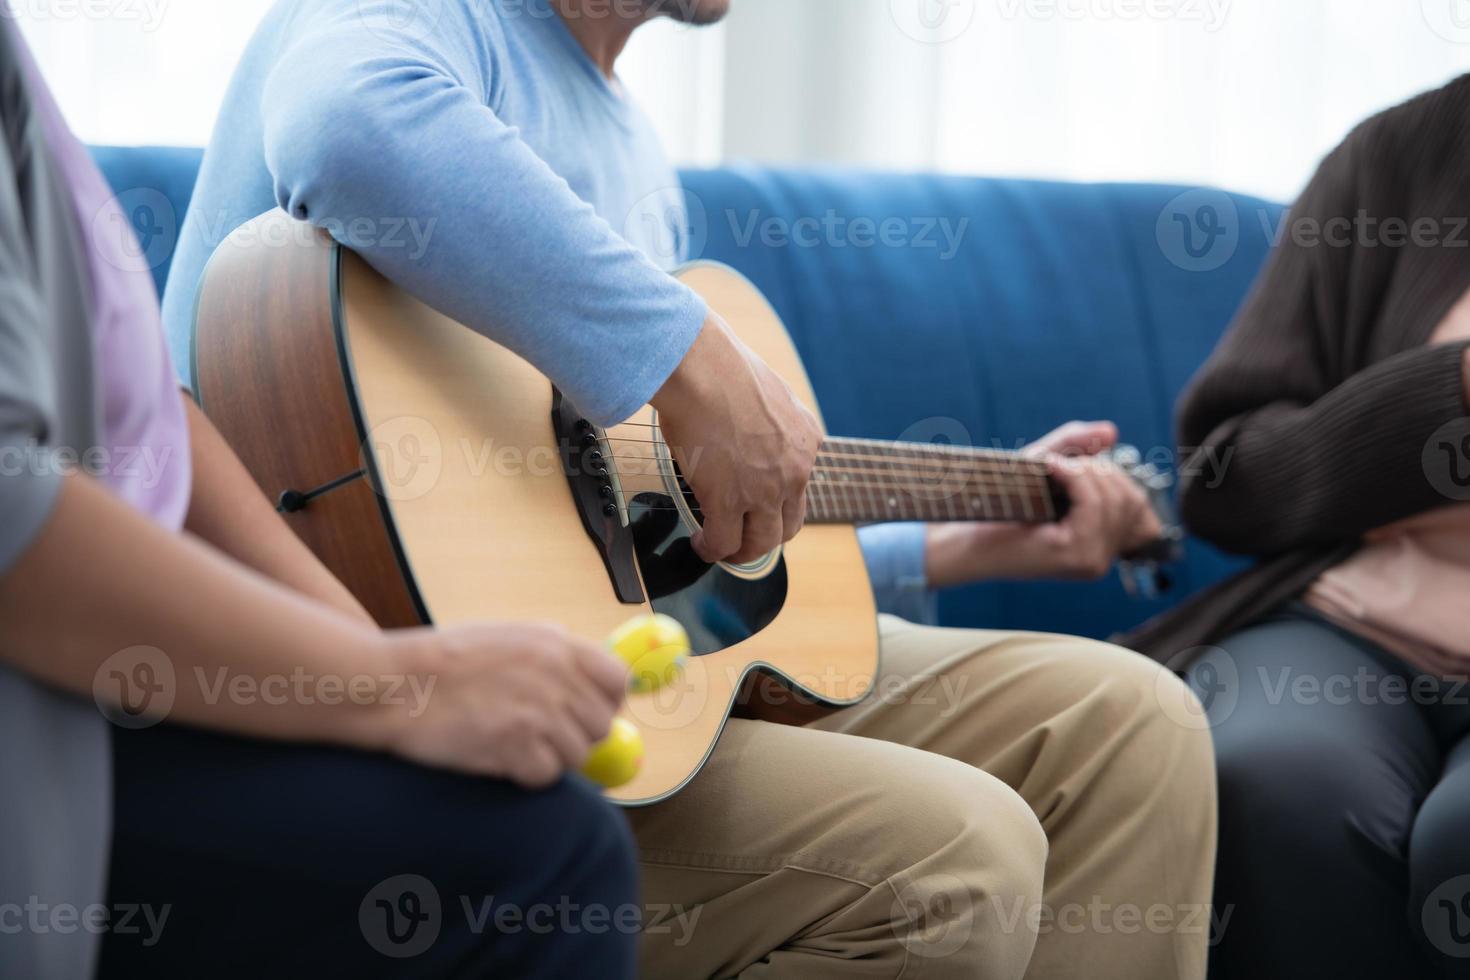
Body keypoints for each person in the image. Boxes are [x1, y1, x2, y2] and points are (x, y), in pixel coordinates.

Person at [158, 2, 1218, 978]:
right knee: (954, 856)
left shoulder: (631, 150)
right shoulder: (435, 18)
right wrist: (690, 357)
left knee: (1138, 722)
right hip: (373, 704)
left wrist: (945, 550)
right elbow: (346, 122)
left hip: (628, 674)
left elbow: (648, 553)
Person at [0, 18, 641, 979]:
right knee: (543, 856)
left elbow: (145, 425)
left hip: (136, 671)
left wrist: (378, 657)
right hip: (58, 722)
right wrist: (391, 690)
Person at [1126, 75, 1470, 978]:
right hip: (1348, 626)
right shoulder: (1397, 155)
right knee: (1275, 783)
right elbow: (1223, 478)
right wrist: (1449, 393)